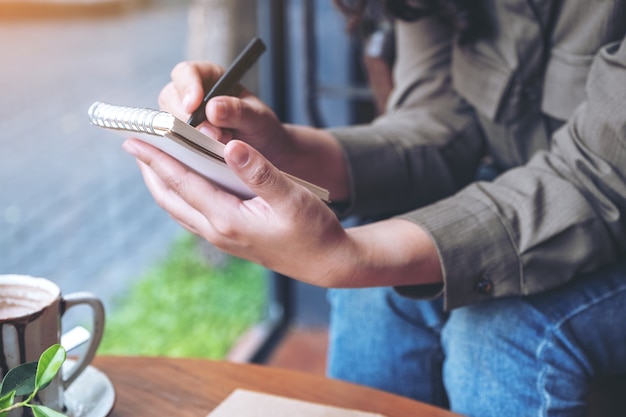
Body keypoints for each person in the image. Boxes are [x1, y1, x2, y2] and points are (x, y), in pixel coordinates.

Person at [120, 1, 626, 415]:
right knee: (374, 294)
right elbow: (440, 119)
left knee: (501, 337)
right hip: (544, 191)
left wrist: (352, 256)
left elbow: (599, 174)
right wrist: (283, 149)